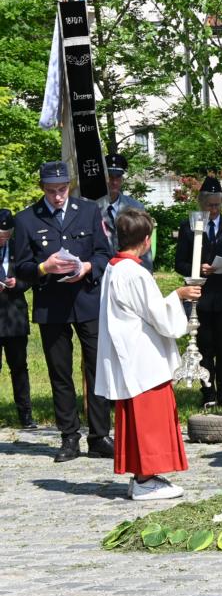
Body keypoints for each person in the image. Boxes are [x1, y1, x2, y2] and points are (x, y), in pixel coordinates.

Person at [11, 161, 114, 461]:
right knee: (60, 372)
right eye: (51, 191)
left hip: (87, 299)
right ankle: (69, 436)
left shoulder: (88, 211)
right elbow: (22, 267)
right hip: (51, 304)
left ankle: (100, 436)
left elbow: (104, 254)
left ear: (70, 186)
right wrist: (45, 267)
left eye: (62, 189)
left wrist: (87, 267)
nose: (58, 197)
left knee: (97, 368)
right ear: (42, 188)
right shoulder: (27, 219)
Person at [95, 208, 200, 500]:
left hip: (131, 354)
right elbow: (159, 315)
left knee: (138, 418)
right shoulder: (135, 273)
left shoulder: (114, 268)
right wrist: (178, 296)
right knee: (149, 419)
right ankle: (145, 478)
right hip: (143, 358)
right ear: (146, 240)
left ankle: (143, 475)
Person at [174, 177, 222, 407]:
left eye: (217, 205)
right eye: (209, 205)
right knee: (204, 345)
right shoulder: (189, 226)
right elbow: (179, 263)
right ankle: (208, 393)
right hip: (199, 296)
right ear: (201, 204)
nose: (214, 210)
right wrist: (197, 268)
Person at [0, 209, 36, 429]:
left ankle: (26, 415)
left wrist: (17, 284)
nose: (3, 240)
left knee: (19, 367)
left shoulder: (18, 247)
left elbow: (30, 276)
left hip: (14, 315)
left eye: (6, 236)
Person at [98, 153, 152, 271]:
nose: (114, 182)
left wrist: (147, 273)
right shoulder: (92, 208)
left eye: (118, 177)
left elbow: (144, 244)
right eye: (110, 177)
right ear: (104, 177)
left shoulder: (135, 207)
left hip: (130, 272)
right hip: (101, 273)